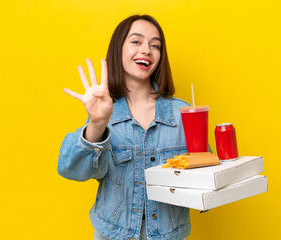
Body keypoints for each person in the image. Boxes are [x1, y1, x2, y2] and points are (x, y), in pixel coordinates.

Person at [58, 15, 191, 240]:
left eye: (155, 45)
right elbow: (71, 169)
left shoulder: (182, 114)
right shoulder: (104, 112)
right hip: (111, 234)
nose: (147, 50)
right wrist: (97, 123)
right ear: (118, 49)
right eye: (136, 41)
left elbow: (202, 176)